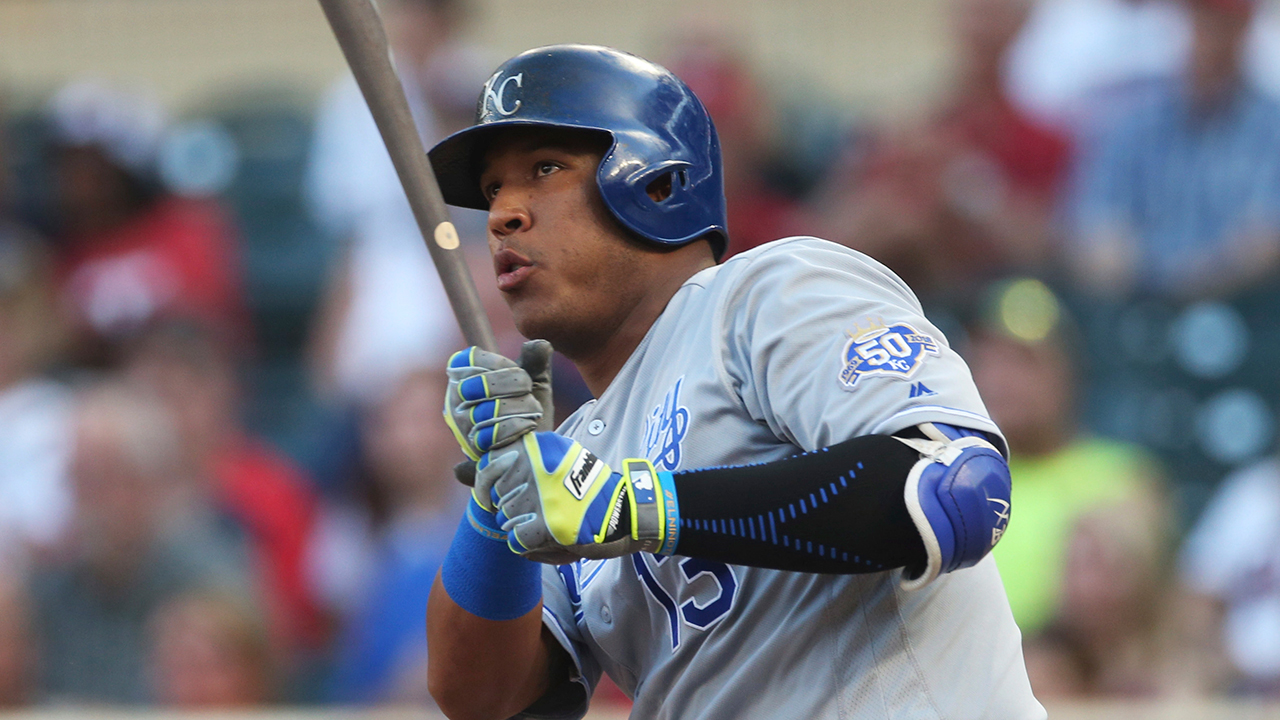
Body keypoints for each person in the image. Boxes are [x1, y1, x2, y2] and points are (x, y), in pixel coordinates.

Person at [422, 45, 1042, 719]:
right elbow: (484, 702)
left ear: (657, 183)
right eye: (491, 192)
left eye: (544, 169)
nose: (503, 215)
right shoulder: (577, 459)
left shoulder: (770, 291)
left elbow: (958, 490)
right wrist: (498, 501)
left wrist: (637, 507)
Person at [1066, 0, 1280, 298]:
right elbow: (1093, 228)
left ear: (1246, 27)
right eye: (1202, 20)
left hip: (1242, 311)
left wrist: (1195, 279)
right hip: (1137, 308)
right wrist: (1141, 278)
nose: (1210, 36)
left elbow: (1265, 241)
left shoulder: (1272, 128)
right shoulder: (1134, 122)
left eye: (1224, 23)